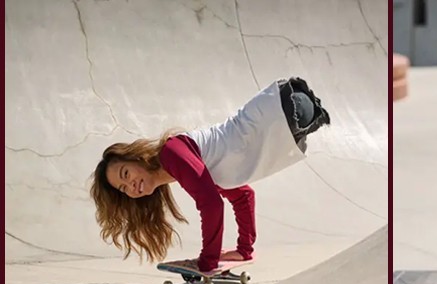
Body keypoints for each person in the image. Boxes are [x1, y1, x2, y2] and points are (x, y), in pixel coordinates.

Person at [89, 77, 330, 272]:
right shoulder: (200, 164)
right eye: (123, 188)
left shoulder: (173, 154)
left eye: (125, 173)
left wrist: (207, 261)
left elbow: (211, 204)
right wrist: (244, 250)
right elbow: (243, 196)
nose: (131, 185)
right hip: (284, 118)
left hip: (280, 112)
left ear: (137, 159)